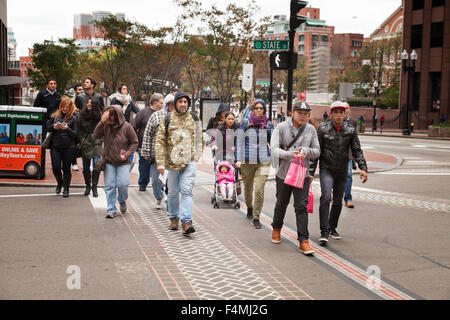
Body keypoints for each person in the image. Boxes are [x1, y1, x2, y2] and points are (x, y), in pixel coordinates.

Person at [310, 101, 368, 245]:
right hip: (327, 169)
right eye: (335, 112)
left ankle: (332, 227)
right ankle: (324, 232)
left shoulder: (350, 130)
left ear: (344, 114)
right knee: (325, 197)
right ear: (331, 114)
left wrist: (363, 168)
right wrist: (311, 172)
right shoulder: (323, 129)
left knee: (337, 201)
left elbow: (357, 150)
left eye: (341, 112)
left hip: (342, 170)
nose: (338, 115)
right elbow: (316, 152)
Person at [270, 101, 320, 255]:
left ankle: (303, 241)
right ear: (292, 113)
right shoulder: (281, 128)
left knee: (301, 207)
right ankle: (276, 228)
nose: (303, 116)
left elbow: (317, 151)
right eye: (300, 113)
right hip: (284, 174)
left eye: (306, 113)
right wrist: (289, 154)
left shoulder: (311, 129)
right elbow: (273, 149)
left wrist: (306, 150)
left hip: (302, 174)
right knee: (281, 203)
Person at [155, 92, 203, 235]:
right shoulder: (168, 118)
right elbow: (160, 141)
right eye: (180, 101)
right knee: (173, 193)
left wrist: (197, 156)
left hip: (189, 162)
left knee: (187, 191)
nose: (183, 104)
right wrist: (160, 162)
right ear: (175, 103)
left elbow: (199, 138)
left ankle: (186, 221)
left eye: (185, 102)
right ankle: (173, 218)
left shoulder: (194, 118)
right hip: (172, 163)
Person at [93, 106, 138, 219]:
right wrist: (101, 122)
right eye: (107, 115)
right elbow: (96, 135)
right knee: (110, 186)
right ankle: (111, 209)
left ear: (117, 116)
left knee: (123, 184)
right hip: (109, 161)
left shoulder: (127, 127)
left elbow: (134, 142)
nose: (109, 119)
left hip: (123, 162)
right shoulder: (106, 125)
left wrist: (127, 154)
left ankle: (122, 200)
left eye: (110, 116)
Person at [235, 99, 274, 229]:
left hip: (263, 161)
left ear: (264, 110)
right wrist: (237, 159)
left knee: (259, 189)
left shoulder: (268, 124)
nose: (258, 110)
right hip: (247, 161)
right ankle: (250, 207)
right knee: (248, 189)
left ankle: (256, 217)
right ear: (252, 110)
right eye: (256, 108)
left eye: (261, 108)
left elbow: (273, 141)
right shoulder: (246, 123)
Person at [141, 94, 175, 209]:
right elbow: (148, 135)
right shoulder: (156, 116)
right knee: (156, 180)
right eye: (170, 104)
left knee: (172, 181)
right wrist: (146, 152)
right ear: (166, 105)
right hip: (157, 156)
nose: (172, 106)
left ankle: (171, 201)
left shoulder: (181, 118)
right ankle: (159, 196)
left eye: (174, 104)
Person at [47, 97, 79, 198]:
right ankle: (60, 183)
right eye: (63, 106)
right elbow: (47, 128)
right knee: (56, 169)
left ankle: (66, 189)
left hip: (69, 147)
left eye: (67, 107)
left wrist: (67, 129)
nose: (65, 108)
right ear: (61, 106)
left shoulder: (74, 118)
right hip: (55, 146)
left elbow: (76, 134)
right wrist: (54, 127)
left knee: (66, 169)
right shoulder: (55, 116)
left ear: (70, 108)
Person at [134, 93, 164, 192]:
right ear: (155, 102)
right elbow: (135, 126)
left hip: (159, 147)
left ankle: (159, 184)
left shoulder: (163, 114)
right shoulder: (143, 112)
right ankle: (143, 183)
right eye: (161, 102)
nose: (162, 104)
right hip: (144, 145)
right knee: (144, 166)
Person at [78, 98, 103, 197]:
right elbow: (79, 129)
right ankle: (88, 186)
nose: (88, 104)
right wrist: (81, 141)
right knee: (85, 167)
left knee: (97, 165)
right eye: (87, 103)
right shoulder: (82, 115)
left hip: (96, 142)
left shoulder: (99, 116)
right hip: (86, 143)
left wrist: (101, 140)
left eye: (91, 103)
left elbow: (104, 128)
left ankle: (94, 187)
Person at [343, 103, 358, 209]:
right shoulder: (332, 121)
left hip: (347, 154)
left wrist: (354, 156)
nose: (344, 110)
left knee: (348, 175)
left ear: (349, 110)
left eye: (346, 108)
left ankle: (348, 198)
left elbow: (355, 141)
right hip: (335, 154)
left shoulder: (353, 122)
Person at [71, 84, 84, 172]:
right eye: (79, 90)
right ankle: (74, 163)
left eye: (82, 89)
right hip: (74, 126)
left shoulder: (85, 100)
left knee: (83, 145)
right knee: (73, 145)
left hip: (82, 126)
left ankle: (84, 163)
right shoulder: (72, 102)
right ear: (75, 91)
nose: (81, 91)